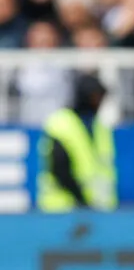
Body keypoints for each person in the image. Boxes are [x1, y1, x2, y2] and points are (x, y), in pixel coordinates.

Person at [36, 73, 115, 212]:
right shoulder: (61, 123)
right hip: (62, 210)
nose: (99, 102)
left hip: (97, 210)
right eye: (95, 97)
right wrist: (82, 200)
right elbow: (59, 168)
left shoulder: (100, 127)